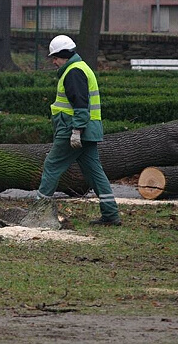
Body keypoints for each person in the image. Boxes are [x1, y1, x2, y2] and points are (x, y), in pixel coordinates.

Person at [36, 34, 122, 226]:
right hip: (88, 131)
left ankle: (37, 211)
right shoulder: (80, 68)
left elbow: (81, 106)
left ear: (64, 55)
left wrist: (76, 131)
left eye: (55, 58)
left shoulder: (73, 72)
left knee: (52, 165)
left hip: (72, 131)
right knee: (94, 172)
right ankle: (110, 214)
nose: (54, 62)